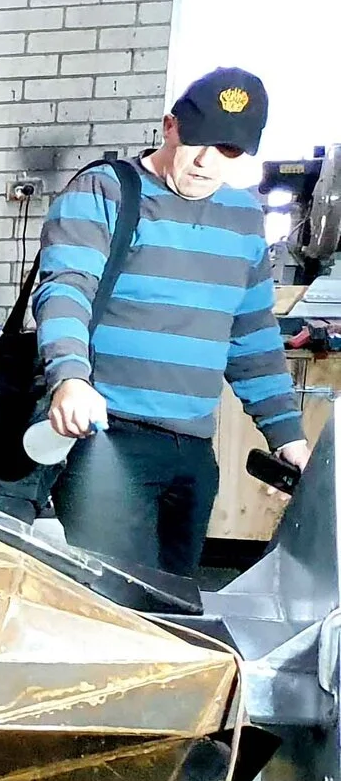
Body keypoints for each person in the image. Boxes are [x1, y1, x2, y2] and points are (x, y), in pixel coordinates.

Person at [32, 66, 310, 578]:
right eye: (196, 142)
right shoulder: (106, 190)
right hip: (110, 438)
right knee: (122, 600)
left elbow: (251, 337)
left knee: (176, 600)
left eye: (227, 151)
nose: (206, 162)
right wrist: (70, 377)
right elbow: (66, 288)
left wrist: (288, 436)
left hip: (194, 454)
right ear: (170, 126)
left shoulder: (243, 217)